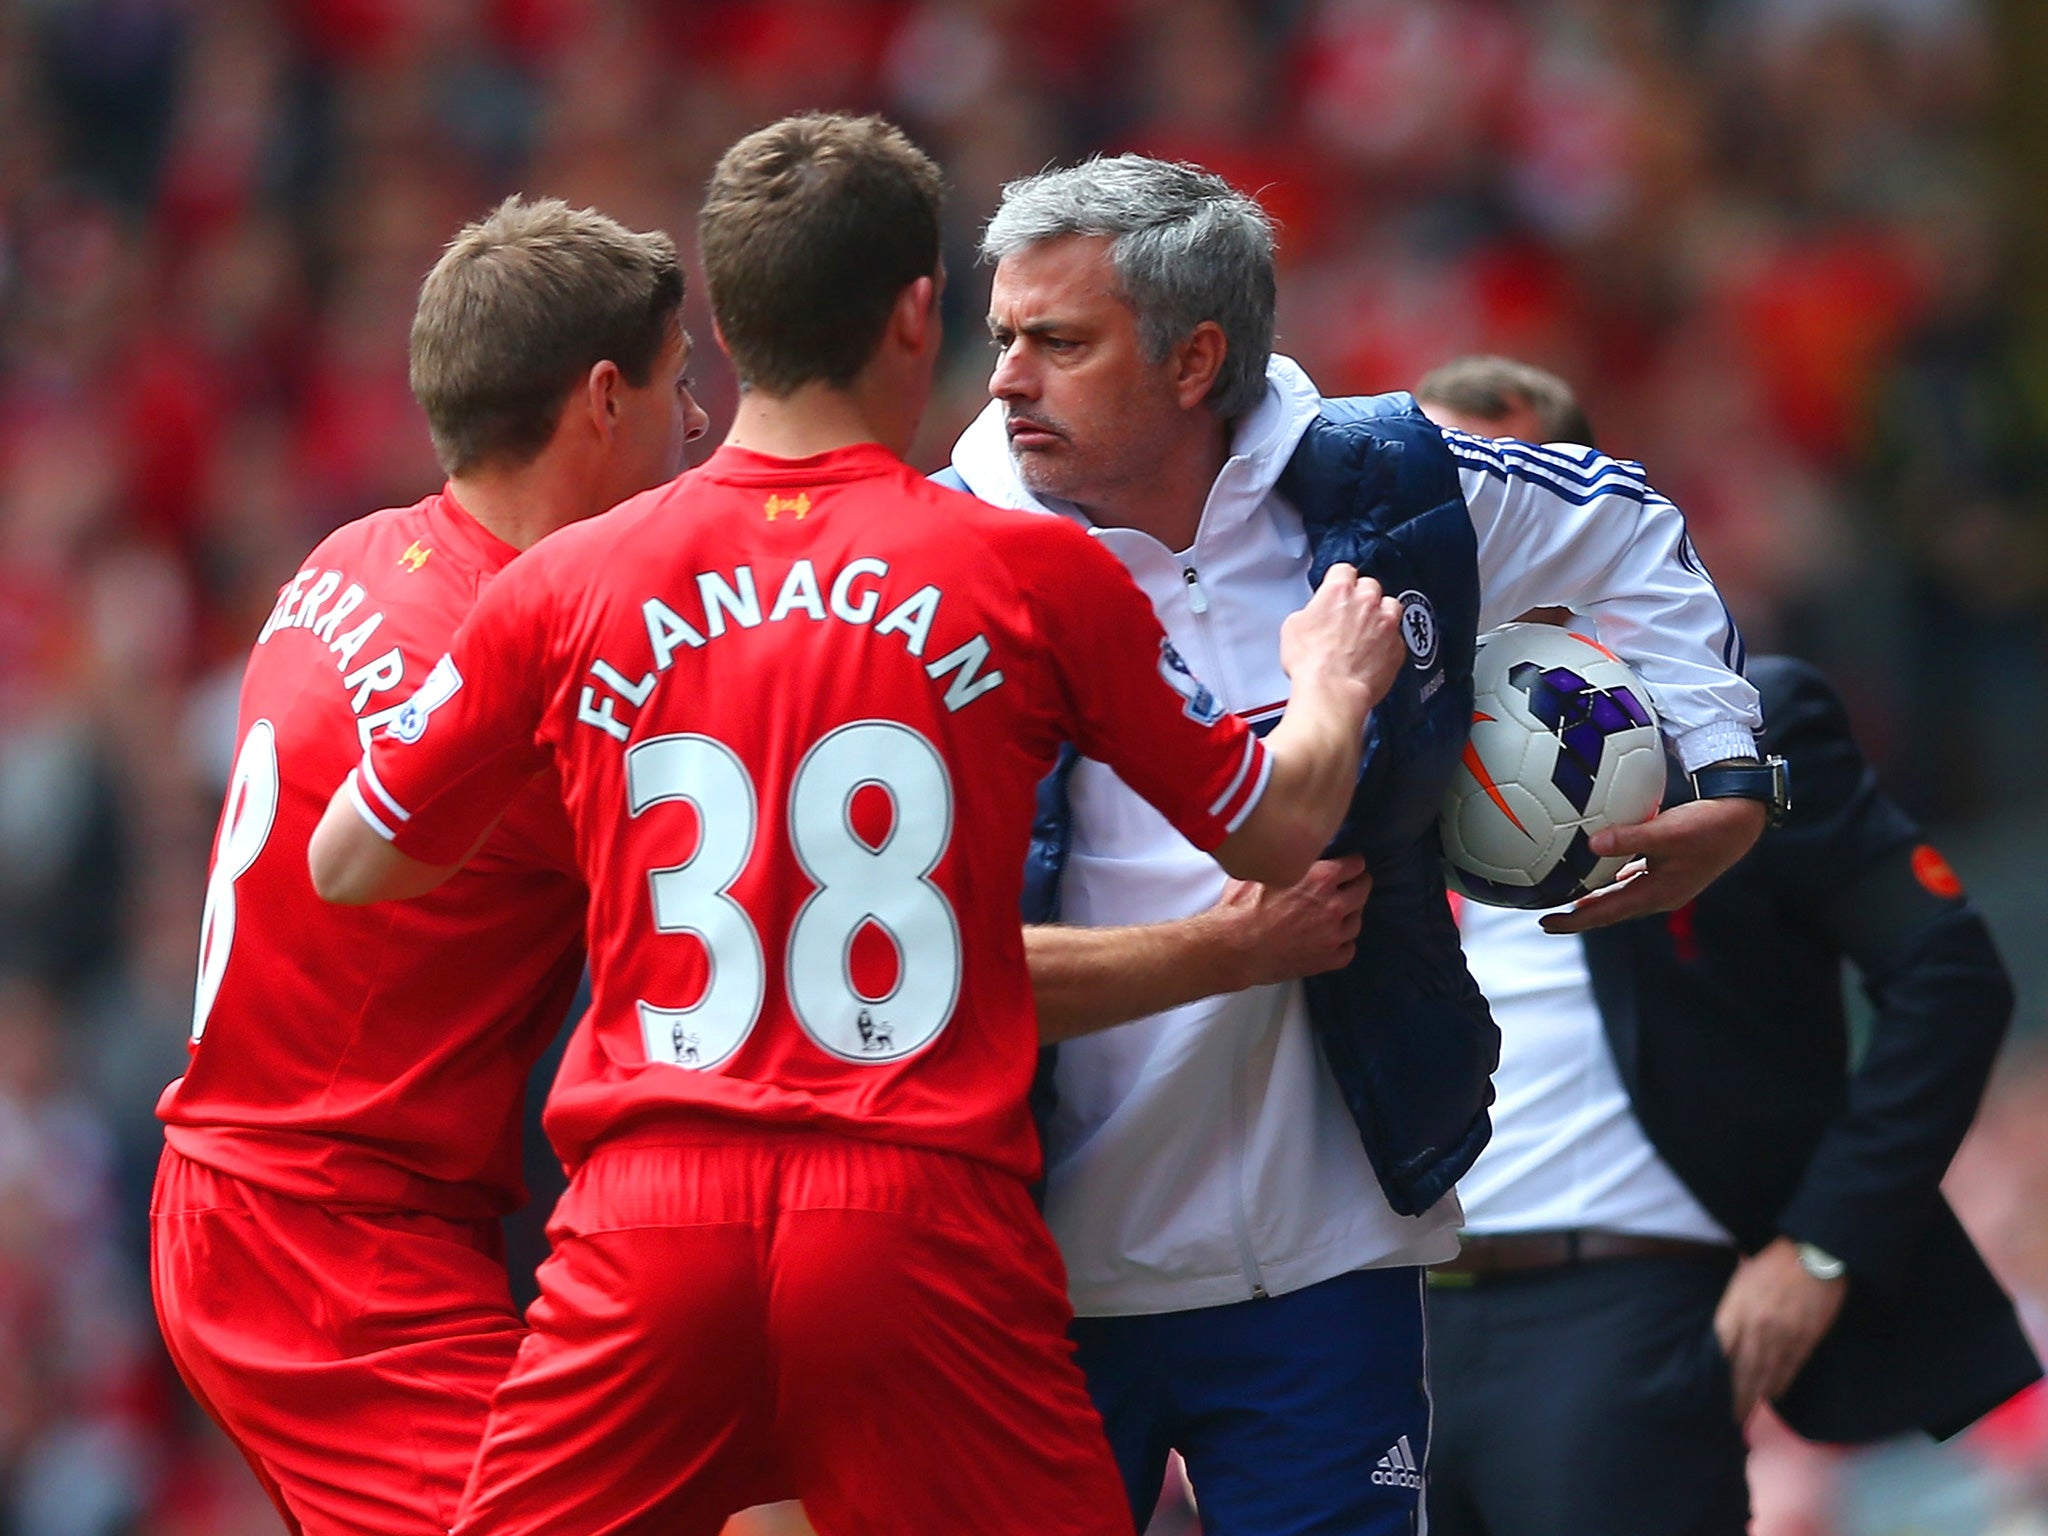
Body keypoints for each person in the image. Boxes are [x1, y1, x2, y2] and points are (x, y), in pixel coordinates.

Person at [306, 112, 1411, 1536]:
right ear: (916, 310)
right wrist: (1326, 687)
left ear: (721, 315)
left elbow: (355, 859)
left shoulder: (566, 585)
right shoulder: (1030, 571)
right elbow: (1277, 831)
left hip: (645, 1220)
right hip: (919, 1217)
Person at [938, 155, 1772, 1536]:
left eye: (1059, 342)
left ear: (1198, 356)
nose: (1007, 380)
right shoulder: (947, 547)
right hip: (1032, 1267)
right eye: (1002, 338)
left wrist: (1731, 773)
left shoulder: (1389, 484)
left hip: (1330, 1262)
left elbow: (1629, 525)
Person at [150, 195, 708, 1535]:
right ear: (601, 401)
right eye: (682, 384)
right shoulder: (527, 696)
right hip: (330, 1257)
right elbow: (772, 956)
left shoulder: (350, 555)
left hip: (256, 1205)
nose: (700, 424)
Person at [1415, 357, 2040, 1536]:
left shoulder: (1743, 718)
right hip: (1384, 1313)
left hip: (1621, 1307)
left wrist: (1818, 1248)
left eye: (1479, 475)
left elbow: (1947, 977)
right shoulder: (1358, 738)